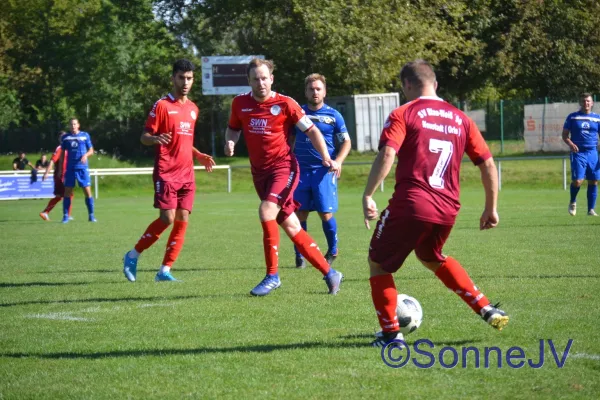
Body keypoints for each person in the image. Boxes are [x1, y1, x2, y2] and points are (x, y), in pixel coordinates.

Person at [362, 60, 509, 347]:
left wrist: (368, 193)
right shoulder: (460, 118)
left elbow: (387, 154)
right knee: (431, 257)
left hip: (412, 203)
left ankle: (391, 335)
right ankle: (486, 308)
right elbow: (488, 165)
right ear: (436, 84)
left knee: (378, 263)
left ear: (406, 85)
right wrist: (491, 208)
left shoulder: (404, 113)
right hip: (447, 208)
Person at [225, 58, 344, 296]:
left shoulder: (286, 104)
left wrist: (326, 157)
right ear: (249, 81)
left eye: (264, 78)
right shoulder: (240, 103)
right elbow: (233, 127)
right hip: (260, 174)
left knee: (266, 211)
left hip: (284, 168)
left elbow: (312, 130)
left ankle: (272, 276)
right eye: (255, 79)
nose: (260, 83)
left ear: (271, 79)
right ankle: (330, 273)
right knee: (291, 225)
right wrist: (230, 141)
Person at [122, 59, 215, 283]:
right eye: (181, 77)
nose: (185, 82)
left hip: (187, 174)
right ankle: (133, 255)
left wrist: (199, 155)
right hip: (166, 172)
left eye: (190, 78)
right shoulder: (162, 106)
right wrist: (154, 138)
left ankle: (164, 270)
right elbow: (144, 137)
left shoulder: (193, 109)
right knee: (167, 218)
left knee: (182, 218)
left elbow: (184, 141)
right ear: (173, 78)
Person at [291, 74, 351, 269]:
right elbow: (289, 139)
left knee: (325, 214)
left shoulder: (334, 115)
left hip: (323, 172)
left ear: (324, 91)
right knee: (300, 214)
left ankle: (333, 249)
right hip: (301, 171)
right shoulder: (297, 113)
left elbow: (346, 142)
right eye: (311, 89)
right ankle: (300, 254)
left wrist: (338, 161)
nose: (315, 92)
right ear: (306, 91)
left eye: (318, 89)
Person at [562, 93, 600, 217]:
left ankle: (591, 210)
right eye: (584, 101)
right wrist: (571, 144)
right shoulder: (572, 117)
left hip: (593, 152)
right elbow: (565, 135)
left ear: (592, 103)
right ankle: (573, 201)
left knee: (593, 180)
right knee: (578, 181)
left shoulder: (597, 118)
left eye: (588, 101)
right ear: (580, 103)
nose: (586, 103)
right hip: (578, 153)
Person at [60, 118, 95, 223]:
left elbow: (91, 151)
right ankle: (66, 216)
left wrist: (85, 155)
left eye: (75, 124)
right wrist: (61, 169)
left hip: (82, 168)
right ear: (69, 126)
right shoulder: (65, 138)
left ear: (78, 125)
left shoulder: (85, 135)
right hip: (70, 168)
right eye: (71, 124)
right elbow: (62, 154)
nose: (73, 126)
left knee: (87, 192)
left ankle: (91, 215)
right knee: (67, 192)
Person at [40, 131, 73, 221]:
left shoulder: (67, 148)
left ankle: (46, 212)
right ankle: (67, 215)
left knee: (60, 196)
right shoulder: (60, 148)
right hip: (61, 176)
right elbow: (52, 161)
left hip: (65, 176)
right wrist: (46, 173)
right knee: (69, 195)